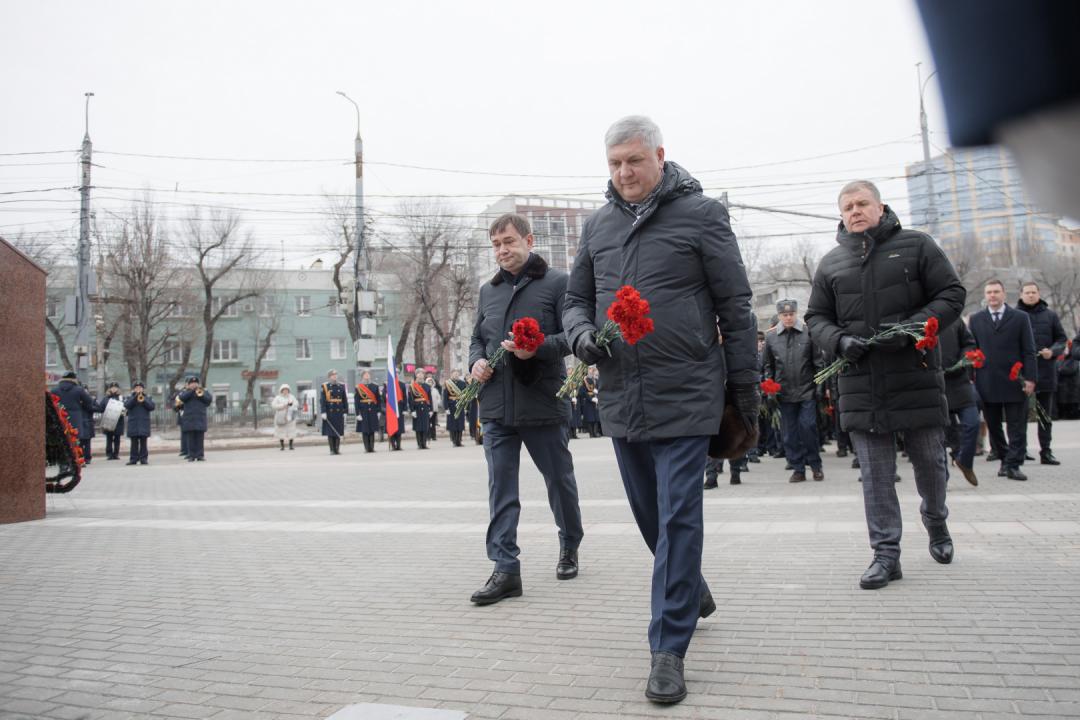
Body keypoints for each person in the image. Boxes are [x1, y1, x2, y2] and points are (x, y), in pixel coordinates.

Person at [563, 116, 759, 704]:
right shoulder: (596, 227)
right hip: (622, 394)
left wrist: (744, 392)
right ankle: (689, 584)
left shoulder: (701, 215)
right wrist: (580, 337)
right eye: (614, 163)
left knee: (678, 517)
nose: (624, 173)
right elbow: (575, 300)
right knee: (650, 516)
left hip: (690, 388)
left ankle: (667, 649)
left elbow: (735, 303)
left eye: (634, 161)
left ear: (659, 157)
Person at [805, 179, 965, 591]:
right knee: (876, 475)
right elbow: (816, 319)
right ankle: (886, 554)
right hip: (862, 383)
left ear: (880, 207)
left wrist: (912, 328)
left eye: (861, 204)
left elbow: (951, 293)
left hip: (915, 374)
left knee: (931, 463)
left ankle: (936, 519)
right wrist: (839, 341)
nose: (854, 211)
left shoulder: (917, 245)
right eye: (847, 207)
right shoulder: (831, 264)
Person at [469, 212, 584, 607]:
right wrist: (476, 363)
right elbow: (477, 339)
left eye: (509, 241)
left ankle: (569, 544)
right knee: (501, 489)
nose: (502, 250)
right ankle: (505, 569)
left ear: (529, 241)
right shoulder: (489, 291)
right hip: (497, 406)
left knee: (559, 480)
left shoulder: (557, 283)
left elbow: (571, 336)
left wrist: (538, 348)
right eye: (496, 244)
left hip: (541, 403)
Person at [969, 280, 1037, 481]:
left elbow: (1029, 350)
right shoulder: (976, 319)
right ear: (985, 295)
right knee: (993, 425)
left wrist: (1031, 379)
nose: (992, 295)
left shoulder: (1020, 318)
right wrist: (970, 378)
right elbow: (972, 351)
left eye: (996, 292)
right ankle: (1005, 459)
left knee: (1017, 426)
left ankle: (1014, 465)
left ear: (1004, 294)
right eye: (989, 292)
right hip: (987, 381)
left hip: (1015, 380)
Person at [764, 299, 825, 483]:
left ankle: (815, 465)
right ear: (780, 316)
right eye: (785, 315)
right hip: (784, 393)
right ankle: (798, 468)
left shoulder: (809, 333)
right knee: (789, 434)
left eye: (791, 314)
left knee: (808, 428)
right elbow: (768, 366)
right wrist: (769, 388)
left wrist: (819, 389)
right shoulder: (771, 337)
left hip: (807, 390)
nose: (788, 318)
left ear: (796, 313)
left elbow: (818, 364)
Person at [1016, 282, 1067, 465]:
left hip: (1045, 372)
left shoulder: (1050, 316)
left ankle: (1046, 451)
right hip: (1021, 374)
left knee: (1045, 415)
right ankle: (1019, 451)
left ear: (1039, 294)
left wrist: (1052, 351)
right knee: (1019, 416)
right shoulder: (1015, 316)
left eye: (1033, 292)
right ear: (1021, 295)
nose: (1030, 295)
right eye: (1027, 292)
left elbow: (1062, 339)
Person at [939, 318, 980, 485]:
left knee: (973, 423)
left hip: (960, 381)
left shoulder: (955, 320)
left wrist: (963, 360)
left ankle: (964, 461)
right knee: (940, 435)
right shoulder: (919, 319)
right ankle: (942, 478)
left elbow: (969, 343)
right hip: (936, 384)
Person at [52, 371, 95, 465]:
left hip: (60, 417)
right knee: (76, 440)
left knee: (63, 438)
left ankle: (64, 461)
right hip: (76, 418)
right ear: (73, 379)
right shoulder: (78, 390)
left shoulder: (54, 390)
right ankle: (78, 460)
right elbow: (89, 402)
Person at [177, 376, 213, 462]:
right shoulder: (185, 392)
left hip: (200, 418)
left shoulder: (204, 391)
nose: (194, 384)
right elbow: (182, 398)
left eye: (195, 383)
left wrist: (200, 394)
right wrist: (192, 391)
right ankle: (191, 455)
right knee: (190, 438)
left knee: (200, 438)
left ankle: (200, 455)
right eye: (192, 383)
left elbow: (208, 400)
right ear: (189, 385)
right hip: (189, 418)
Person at [124, 381, 154, 465]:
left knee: (143, 442)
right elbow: (126, 405)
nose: (138, 389)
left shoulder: (148, 397)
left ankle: (143, 458)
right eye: (136, 388)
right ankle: (133, 459)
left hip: (143, 422)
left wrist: (143, 400)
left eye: (140, 388)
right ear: (134, 389)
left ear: (143, 389)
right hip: (133, 422)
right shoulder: (129, 397)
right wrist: (135, 397)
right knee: (134, 442)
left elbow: (151, 407)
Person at [320, 369, 348, 455]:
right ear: (329, 377)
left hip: (339, 411)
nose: (335, 376)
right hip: (330, 411)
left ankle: (337, 449)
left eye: (336, 375)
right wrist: (323, 412)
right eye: (333, 375)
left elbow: (344, 399)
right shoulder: (325, 386)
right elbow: (323, 400)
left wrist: (345, 411)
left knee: (338, 430)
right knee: (331, 431)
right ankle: (332, 449)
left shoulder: (341, 386)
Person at [96, 381, 125, 460]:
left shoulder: (121, 398)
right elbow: (101, 408)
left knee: (117, 439)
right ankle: (109, 454)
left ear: (118, 389)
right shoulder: (106, 398)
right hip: (108, 421)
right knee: (109, 439)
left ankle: (116, 454)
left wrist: (123, 412)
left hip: (118, 421)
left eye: (115, 388)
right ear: (109, 389)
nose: (114, 389)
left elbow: (126, 409)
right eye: (112, 388)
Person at [353, 371, 381, 453]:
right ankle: (366, 448)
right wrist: (357, 413)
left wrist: (378, 410)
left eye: (368, 374)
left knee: (372, 429)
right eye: (365, 374)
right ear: (362, 376)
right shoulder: (358, 387)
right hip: (363, 410)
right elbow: (356, 401)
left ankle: (371, 448)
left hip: (372, 409)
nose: (367, 376)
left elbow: (378, 400)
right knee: (365, 430)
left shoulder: (375, 386)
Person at [442, 370, 468, 447]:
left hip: (460, 405)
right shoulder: (448, 383)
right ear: (451, 374)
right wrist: (446, 408)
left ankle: (459, 441)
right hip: (451, 406)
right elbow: (445, 397)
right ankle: (454, 441)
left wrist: (466, 406)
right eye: (454, 374)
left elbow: (465, 396)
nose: (456, 375)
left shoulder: (462, 383)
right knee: (452, 424)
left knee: (460, 424)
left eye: (457, 374)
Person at [409, 369, 432, 449]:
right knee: (418, 427)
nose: (421, 375)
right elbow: (410, 399)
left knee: (425, 426)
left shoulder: (426, 386)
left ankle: (424, 444)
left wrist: (430, 409)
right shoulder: (412, 386)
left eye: (422, 373)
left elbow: (429, 398)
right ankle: (419, 444)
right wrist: (412, 410)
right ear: (416, 375)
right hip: (417, 408)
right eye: (419, 373)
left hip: (425, 407)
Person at [272, 384, 299, 451]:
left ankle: (291, 445)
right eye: (284, 390)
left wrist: (291, 405)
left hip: (290, 416)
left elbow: (296, 403)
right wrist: (283, 405)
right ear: (281, 390)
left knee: (291, 431)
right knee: (281, 431)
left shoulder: (291, 397)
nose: (285, 391)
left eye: (286, 390)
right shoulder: (278, 398)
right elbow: (274, 405)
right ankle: (282, 446)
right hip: (281, 417)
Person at [579, 368, 601, 437]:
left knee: (596, 418)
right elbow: (583, 392)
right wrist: (591, 399)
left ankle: (595, 432)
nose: (591, 371)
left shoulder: (596, 380)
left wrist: (597, 395)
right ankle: (591, 433)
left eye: (592, 370)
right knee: (590, 418)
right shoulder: (585, 380)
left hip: (596, 401)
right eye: (590, 370)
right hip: (588, 401)